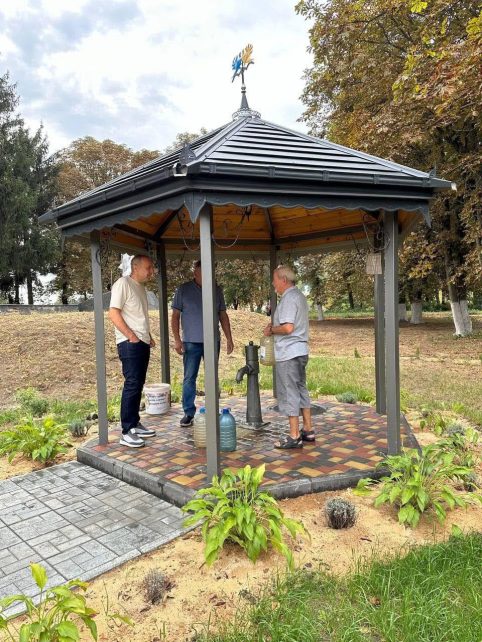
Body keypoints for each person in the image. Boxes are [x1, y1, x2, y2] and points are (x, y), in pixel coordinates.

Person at [171, 260, 234, 426]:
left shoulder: (217, 290)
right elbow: (175, 316)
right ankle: (188, 413)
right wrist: (177, 340)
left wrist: (229, 338)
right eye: (203, 273)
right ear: (195, 274)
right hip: (191, 342)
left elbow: (223, 315)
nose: (207, 277)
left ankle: (212, 410)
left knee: (212, 377)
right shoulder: (183, 290)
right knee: (189, 378)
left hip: (213, 341)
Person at [108, 255, 157, 448]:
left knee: (138, 383)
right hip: (130, 343)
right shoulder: (123, 284)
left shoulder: (140, 288)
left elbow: (138, 316)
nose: (151, 271)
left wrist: (148, 336)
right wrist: (131, 336)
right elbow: (113, 313)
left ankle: (135, 423)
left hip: (141, 341)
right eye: (148, 268)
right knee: (132, 383)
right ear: (135, 267)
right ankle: (127, 431)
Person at [263, 265, 313, 449]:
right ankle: (308, 430)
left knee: (290, 391)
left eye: (275, 280)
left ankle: (294, 436)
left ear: (283, 280)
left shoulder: (289, 298)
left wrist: (271, 330)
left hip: (289, 353)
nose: (273, 283)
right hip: (300, 351)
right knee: (301, 389)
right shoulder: (299, 296)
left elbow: (287, 328)